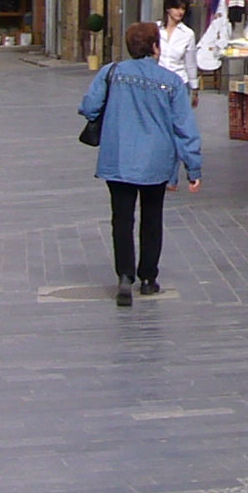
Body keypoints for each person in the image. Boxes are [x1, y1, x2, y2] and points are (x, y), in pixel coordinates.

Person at [80, 20, 203, 306]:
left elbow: (89, 107)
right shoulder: (171, 82)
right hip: (156, 159)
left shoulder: (111, 72)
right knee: (152, 217)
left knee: (122, 218)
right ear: (155, 47)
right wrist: (193, 167)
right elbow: (184, 127)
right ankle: (148, 277)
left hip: (119, 157)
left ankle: (125, 275)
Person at [157, 0, 200, 106]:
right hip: (157, 83)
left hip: (179, 83)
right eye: (177, 8)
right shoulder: (156, 29)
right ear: (168, 9)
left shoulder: (188, 34)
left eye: (183, 9)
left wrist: (194, 88)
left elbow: (190, 63)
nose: (180, 12)